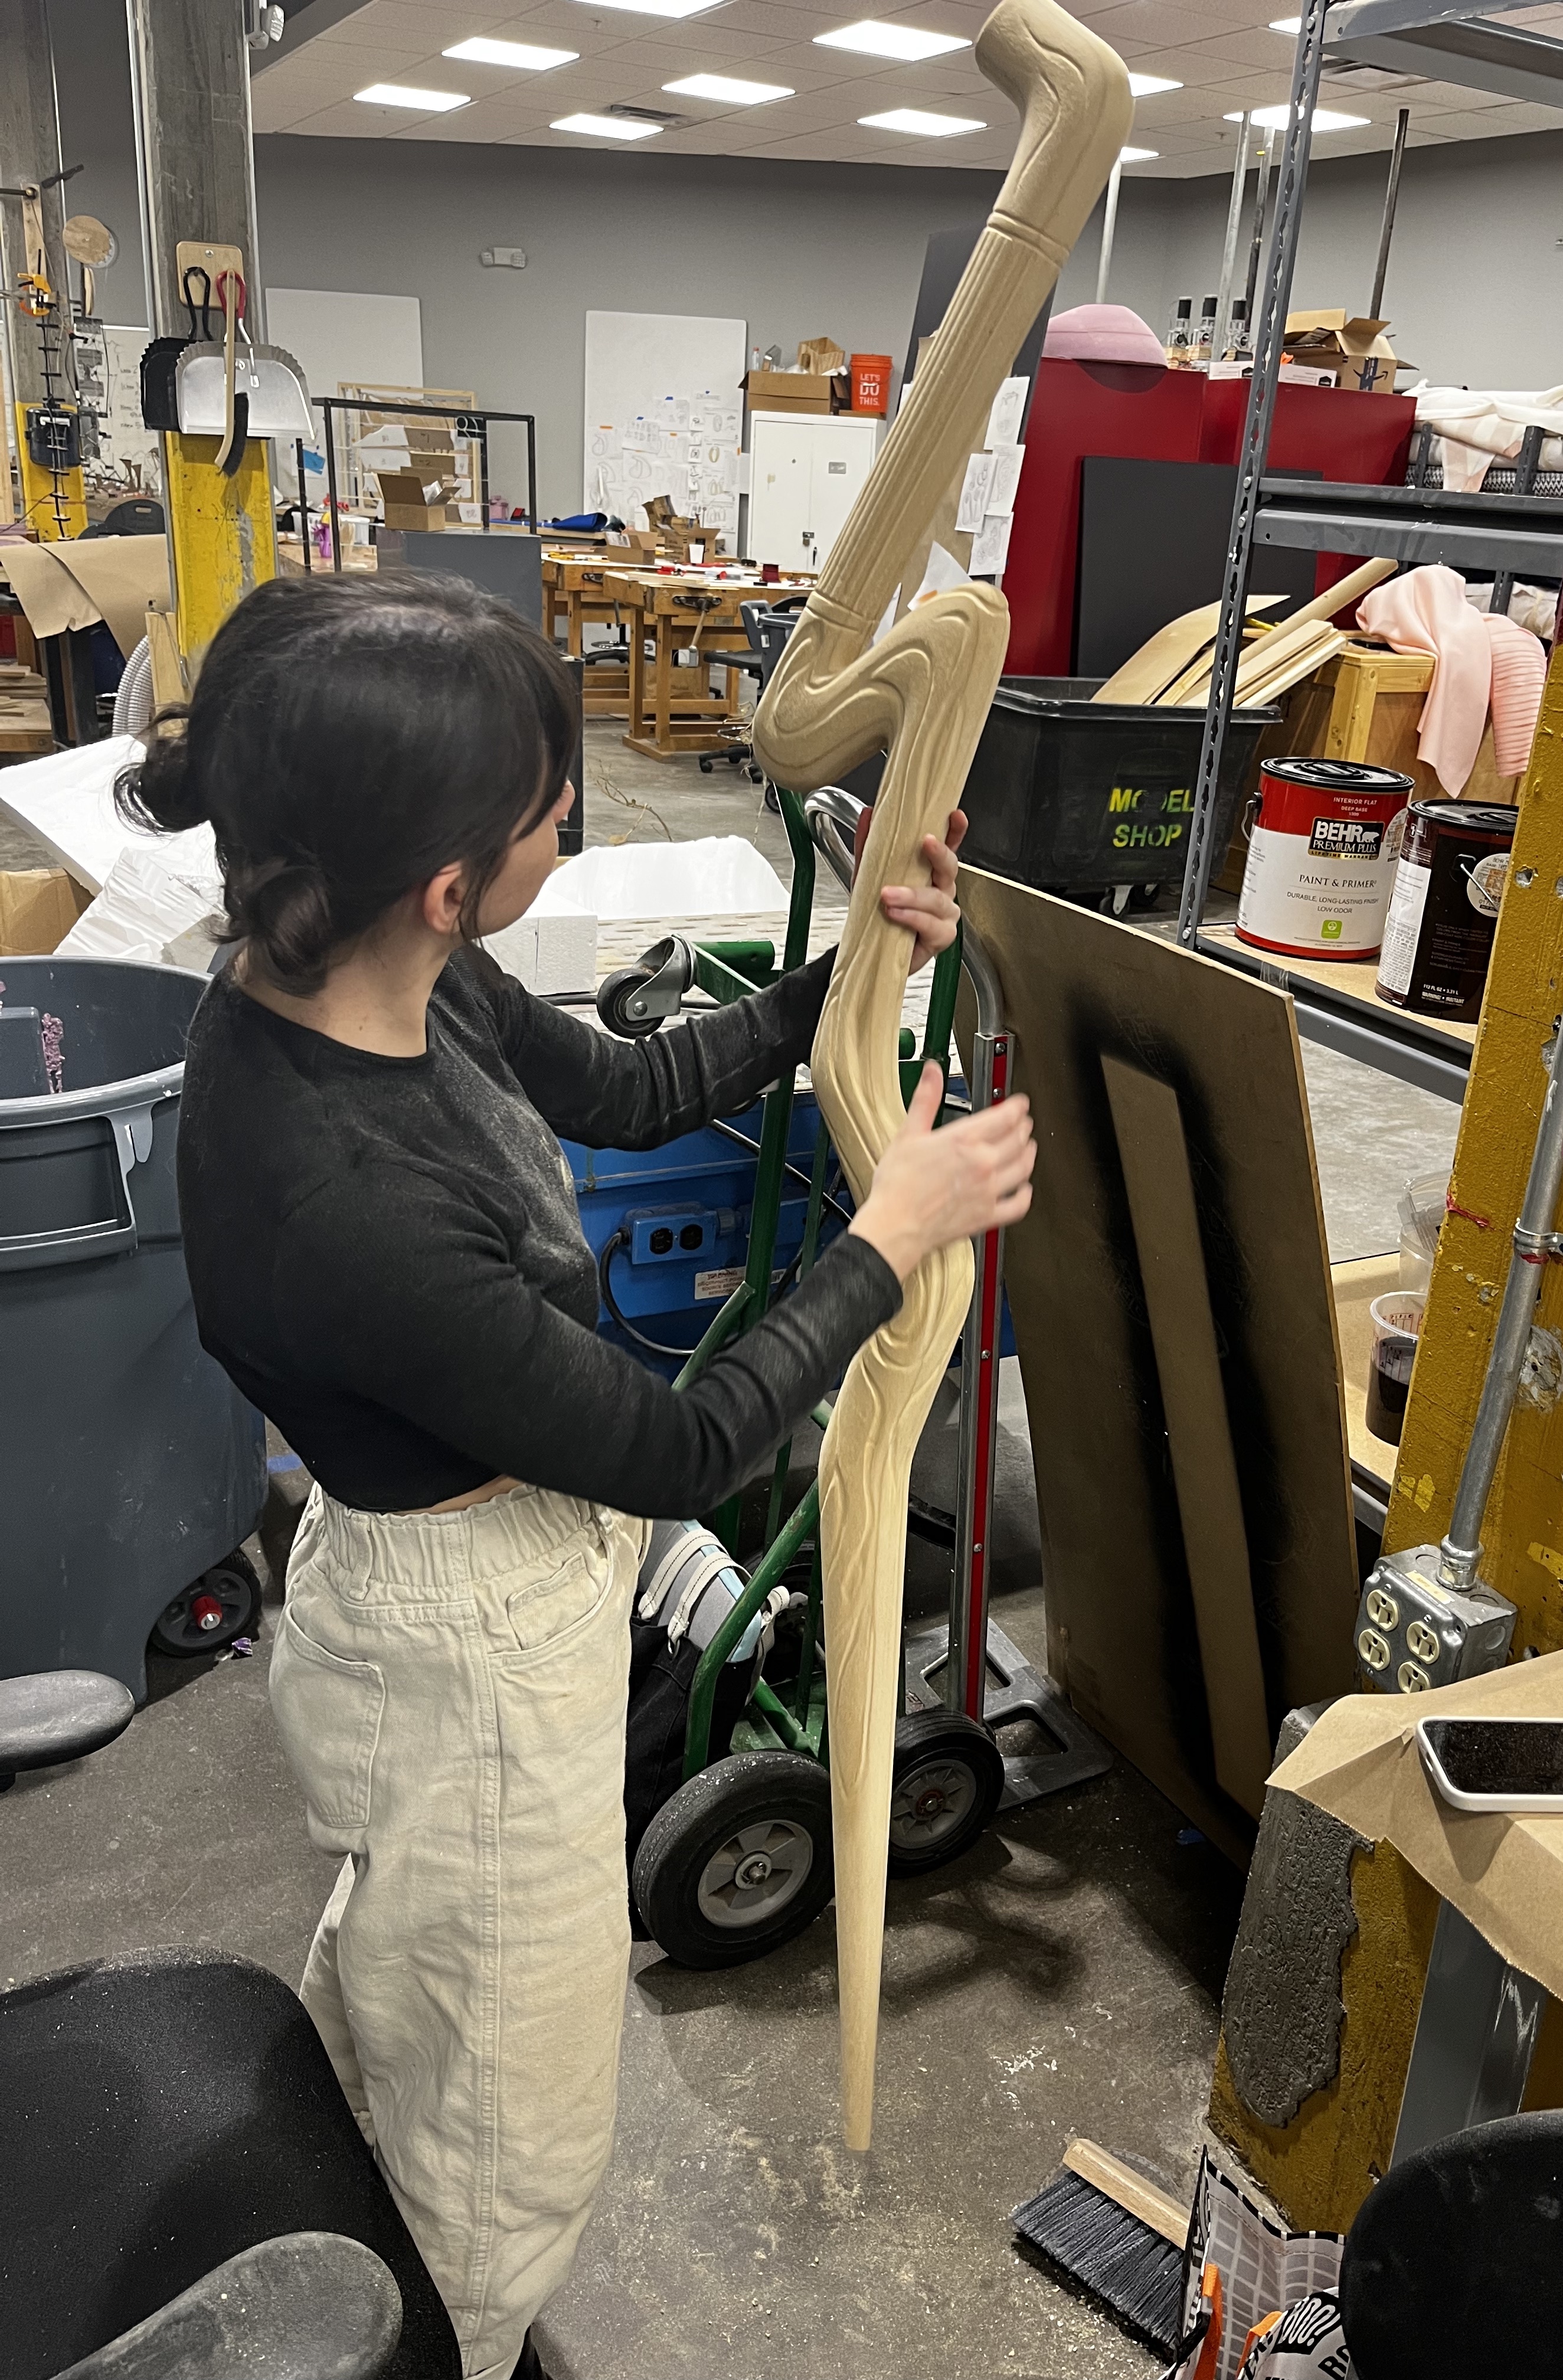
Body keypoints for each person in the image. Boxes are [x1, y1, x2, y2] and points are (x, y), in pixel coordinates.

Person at [117, 570, 1034, 2380]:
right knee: (507, 2136)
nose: (569, 833)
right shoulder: (335, 1197)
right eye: (553, 814)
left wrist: (846, 974)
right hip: (460, 1642)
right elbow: (679, 1441)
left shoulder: (382, 969)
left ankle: (363, 2275)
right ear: (448, 880)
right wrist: (888, 1239)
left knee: (421, 2013)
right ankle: (428, 2343)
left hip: (484, 1569)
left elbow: (624, 1092)